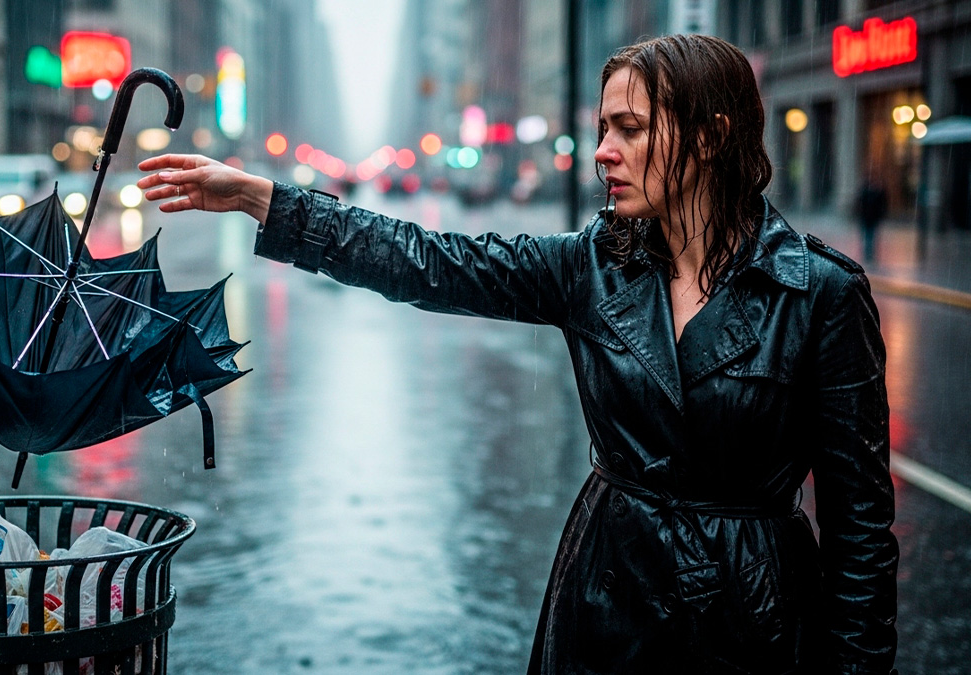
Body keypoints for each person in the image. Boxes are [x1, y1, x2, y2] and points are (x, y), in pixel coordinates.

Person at [138, 34, 898, 674]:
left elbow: (861, 528)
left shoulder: (820, 292)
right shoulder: (591, 266)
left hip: (755, 614)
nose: (603, 152)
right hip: (610, 594)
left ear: (709, 135)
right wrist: (265, 199)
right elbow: (425, 259)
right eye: (604, 128)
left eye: (630, 129)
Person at [856, 174, 888, 263]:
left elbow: (882, 205)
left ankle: (869, 253)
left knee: (870, 236)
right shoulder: (867, 192)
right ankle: (868, 253)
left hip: (870, 217)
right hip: (867, 217)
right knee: (868, 235)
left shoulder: (875, 192)